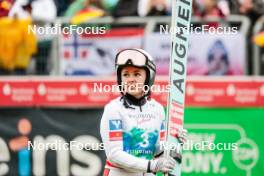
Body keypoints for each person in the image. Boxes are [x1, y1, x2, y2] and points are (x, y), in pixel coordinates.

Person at [100, 48, 187, 176]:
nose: (130, 79)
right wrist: (151, 165)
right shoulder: (113, 109)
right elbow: (114, 154)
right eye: (125, 74)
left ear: (149, 77)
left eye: (137, 74)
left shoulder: (157, 109)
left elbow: (158, 151)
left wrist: (174, 143)